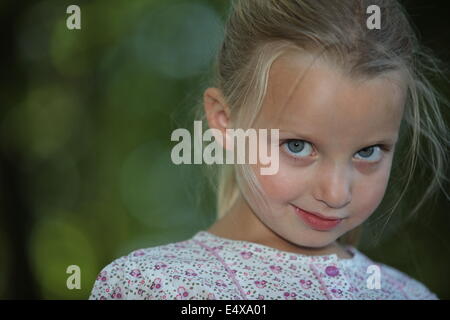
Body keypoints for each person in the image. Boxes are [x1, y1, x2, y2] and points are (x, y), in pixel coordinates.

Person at [89, 0, 448, 300]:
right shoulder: (153, 287)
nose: (337, 193)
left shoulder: (408, 295)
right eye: (298, 146)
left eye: (368, 152)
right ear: (225, 121)